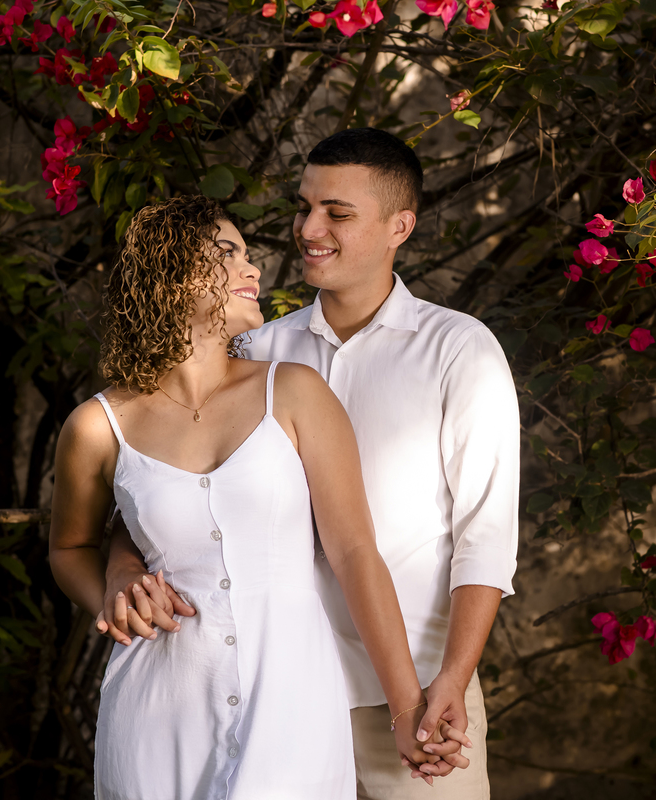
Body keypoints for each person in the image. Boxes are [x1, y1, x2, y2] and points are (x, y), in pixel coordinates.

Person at [104, 128, 521, 798]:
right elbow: (165, 490)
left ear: (399, 226)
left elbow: (485, 540)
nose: (309, 228)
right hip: (273, 696)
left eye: (338, 213)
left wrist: (448, 679)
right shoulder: (257, 349)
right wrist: (122, 571)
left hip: (412, 692)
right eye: (304, 207)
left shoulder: (458, 350)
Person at [48, 195, 454, 800]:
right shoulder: (96, 425)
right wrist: (110, 587)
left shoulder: (292, 391)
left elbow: (353, 553)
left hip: (292, 704)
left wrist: (405, 708)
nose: (253, 269)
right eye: (228, 253)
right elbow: (70, 547)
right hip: (157, 708)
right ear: (174, 275)